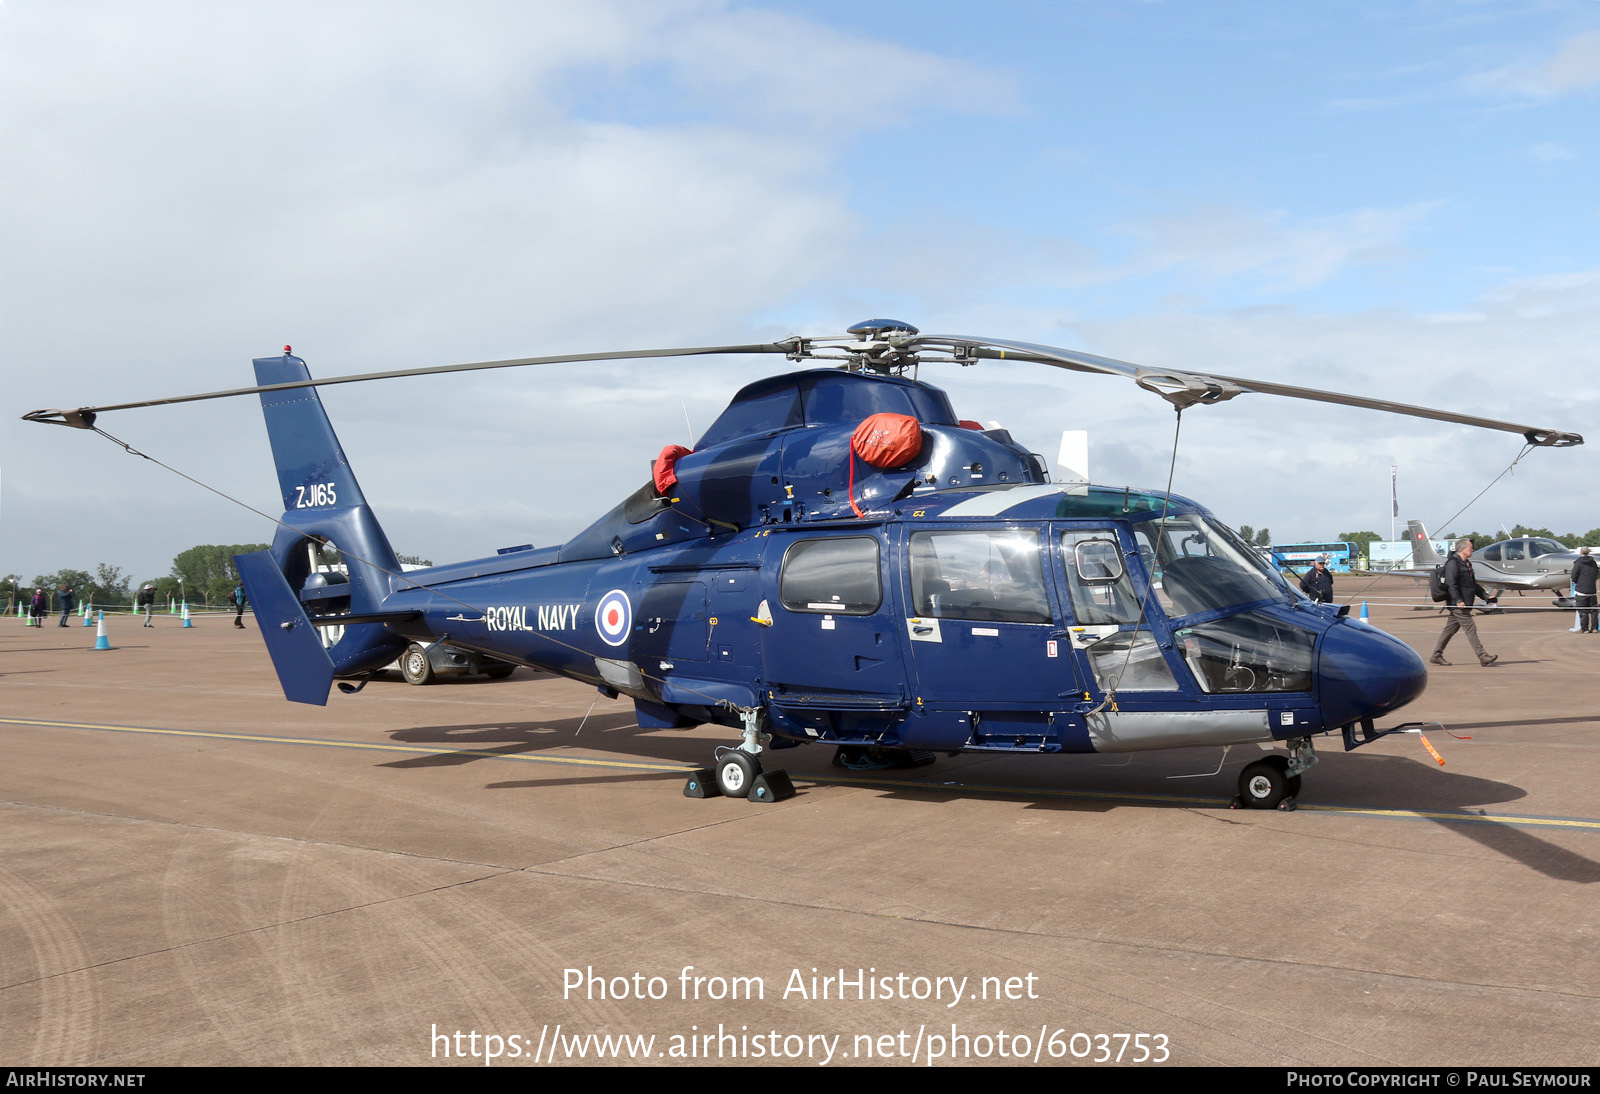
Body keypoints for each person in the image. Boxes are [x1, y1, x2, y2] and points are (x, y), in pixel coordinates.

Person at [1431, 538, 1498, 667]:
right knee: (1470, 628)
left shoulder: (1466, 564)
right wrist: (1458, 601)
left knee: (1449, 630)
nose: (1472, 550)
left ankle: (1436, 655)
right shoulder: (1453, 564)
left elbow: (1473, 584)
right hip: (1459, 605)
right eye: (1470, 548)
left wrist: (1486, 596)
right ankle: (1483, 656)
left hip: (1465, 603)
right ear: (1462, 549)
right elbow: (1452, 584)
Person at [1573, 546, 1598, 635]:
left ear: (1581, 553)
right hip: (1592, 590)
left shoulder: (1578, 563)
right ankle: (1595, 628)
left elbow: (1574, 576)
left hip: (1581, 590)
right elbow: (1596, 574)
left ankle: (1585, 629)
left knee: (1583, 611)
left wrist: (1578, 582)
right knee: (1594, 610)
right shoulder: (1593, 562)